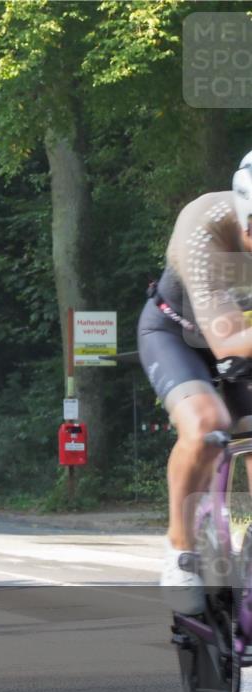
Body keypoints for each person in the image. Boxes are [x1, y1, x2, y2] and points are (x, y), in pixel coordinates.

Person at [139, 150, 252, 614]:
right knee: (208, 425)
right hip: (179, 335)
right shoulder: (204, 222)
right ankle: (180, 550)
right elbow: (227, 342)